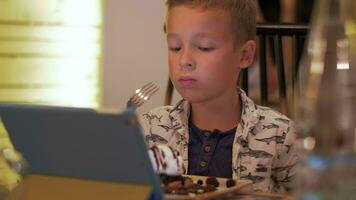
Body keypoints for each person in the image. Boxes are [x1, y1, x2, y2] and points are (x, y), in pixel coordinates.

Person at [139, 0, 298, 193]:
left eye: (204, 48)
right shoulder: (150, 129)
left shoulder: (279, 135)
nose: (184, 61)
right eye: (175, 47)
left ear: (245, 55)